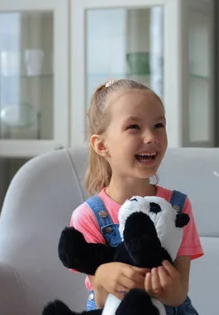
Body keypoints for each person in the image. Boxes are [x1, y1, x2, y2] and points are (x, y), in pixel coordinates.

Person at [69, 79, 203, 314]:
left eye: (159, 125)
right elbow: (100, 303)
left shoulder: (178, 207)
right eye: (134, 127)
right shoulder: (88, 216)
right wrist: (102, 277)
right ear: (101, 146)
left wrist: (168, 289)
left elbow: (180, 293)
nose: (151, 137)